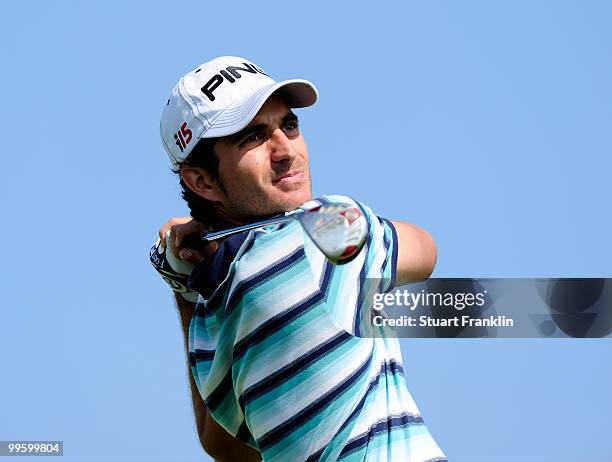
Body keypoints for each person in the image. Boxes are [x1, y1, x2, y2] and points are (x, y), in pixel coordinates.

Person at [150, 56, 447, 462]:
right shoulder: (321, 229)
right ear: (202, 180)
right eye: (252, 137)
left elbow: (221, 445)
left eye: (288, 125)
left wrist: (182, 286)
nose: (285, 150)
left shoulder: (211, 313)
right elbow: (426, 252)